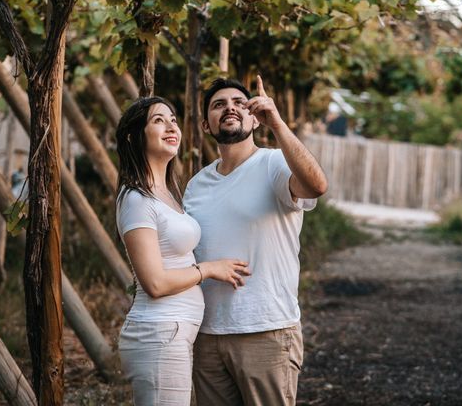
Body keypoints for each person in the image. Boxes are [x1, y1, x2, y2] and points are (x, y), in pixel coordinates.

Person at [184, 76, 328, 406]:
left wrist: (277, 123)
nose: (230, 108)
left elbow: (317, 186)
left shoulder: (274, 163)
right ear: (206, 124)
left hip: (266, 329)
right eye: (218, 105)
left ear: (253, 117)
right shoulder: (196, 185)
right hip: (208, 335)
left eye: (239, 102)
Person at [115, 96, 251, 406]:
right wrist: (209, 269)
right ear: (133, 136)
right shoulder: (137, 199)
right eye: (158, 120)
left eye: (173, 119)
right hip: (159, 332)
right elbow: (155, 283)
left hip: (173, 332)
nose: (170, 126)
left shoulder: (168, 193)